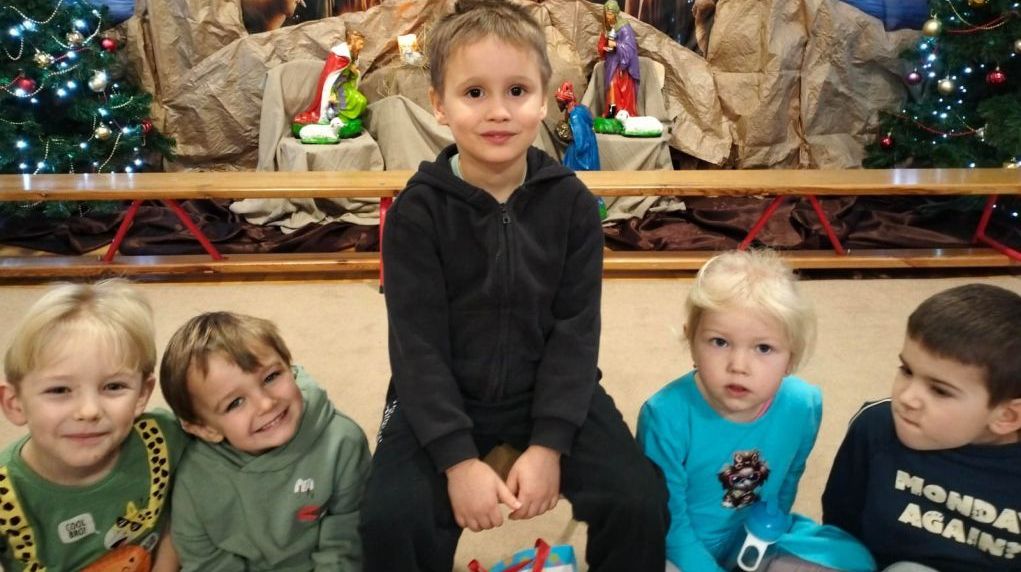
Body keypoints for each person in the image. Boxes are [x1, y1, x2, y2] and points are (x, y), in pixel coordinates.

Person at [358, 1, 669, 570]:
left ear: (544, 98)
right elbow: (416, 348)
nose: (498, 111)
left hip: (549, 390)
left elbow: (576, 334)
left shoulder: (572, 205)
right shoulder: (415, 215)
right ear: (438, 104)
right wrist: (457, 461)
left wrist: (549, 444)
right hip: (443, 394)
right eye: (474, 92)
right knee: (388, 518)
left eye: (518, 91)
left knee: (640, 501)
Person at [638, 250, 825, 571]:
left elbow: (788, 481)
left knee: (849, 557)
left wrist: (769, 539)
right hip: (679, 547)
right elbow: (668, 521)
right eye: (719, 342)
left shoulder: (804, 404)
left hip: (755, 538)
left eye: (763, 348)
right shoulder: (663, 416)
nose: (739, 366)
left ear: (791, 358)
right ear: (691, 340)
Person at [822, 284, 1021, 572]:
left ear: (1006, 417)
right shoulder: (875, 426)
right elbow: (841, 529)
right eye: (907, 370)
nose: (907, 397)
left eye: (939, 390)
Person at [159, 311, 370, 571]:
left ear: (289, 366)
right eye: (235, 402)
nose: (266, 404)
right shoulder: (194, 478)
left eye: (271, 377)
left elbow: (345, 541)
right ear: (205, 429)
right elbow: (206, 561)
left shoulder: (342, 443)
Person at [0, 279, 186, 571]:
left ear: (142, 394)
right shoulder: (6, 494)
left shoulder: (165, 437)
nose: (89, 411)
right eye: (59, 390)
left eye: (113, 386)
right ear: (15, 404)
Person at [596, 0, 639, 118]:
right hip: (611, 63)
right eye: (606, 14)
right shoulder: (607, 27)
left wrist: (616, 45)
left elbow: (630, 47)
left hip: (622, 65)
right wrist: (603, 47)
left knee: (616, 86)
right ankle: (611, 112)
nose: (608, 17)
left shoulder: (624, 27)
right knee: (611, 87)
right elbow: (601, 44)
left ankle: (623, 112)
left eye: (610, 14)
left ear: (615, 14)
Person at [555, 80, 600, 172]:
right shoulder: (578, 110)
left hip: (582, 151)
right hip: (587, 146)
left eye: (559, 101)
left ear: (564, 102)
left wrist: (578, 149)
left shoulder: (575, 115)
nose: (558, 104)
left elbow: (580, 139)